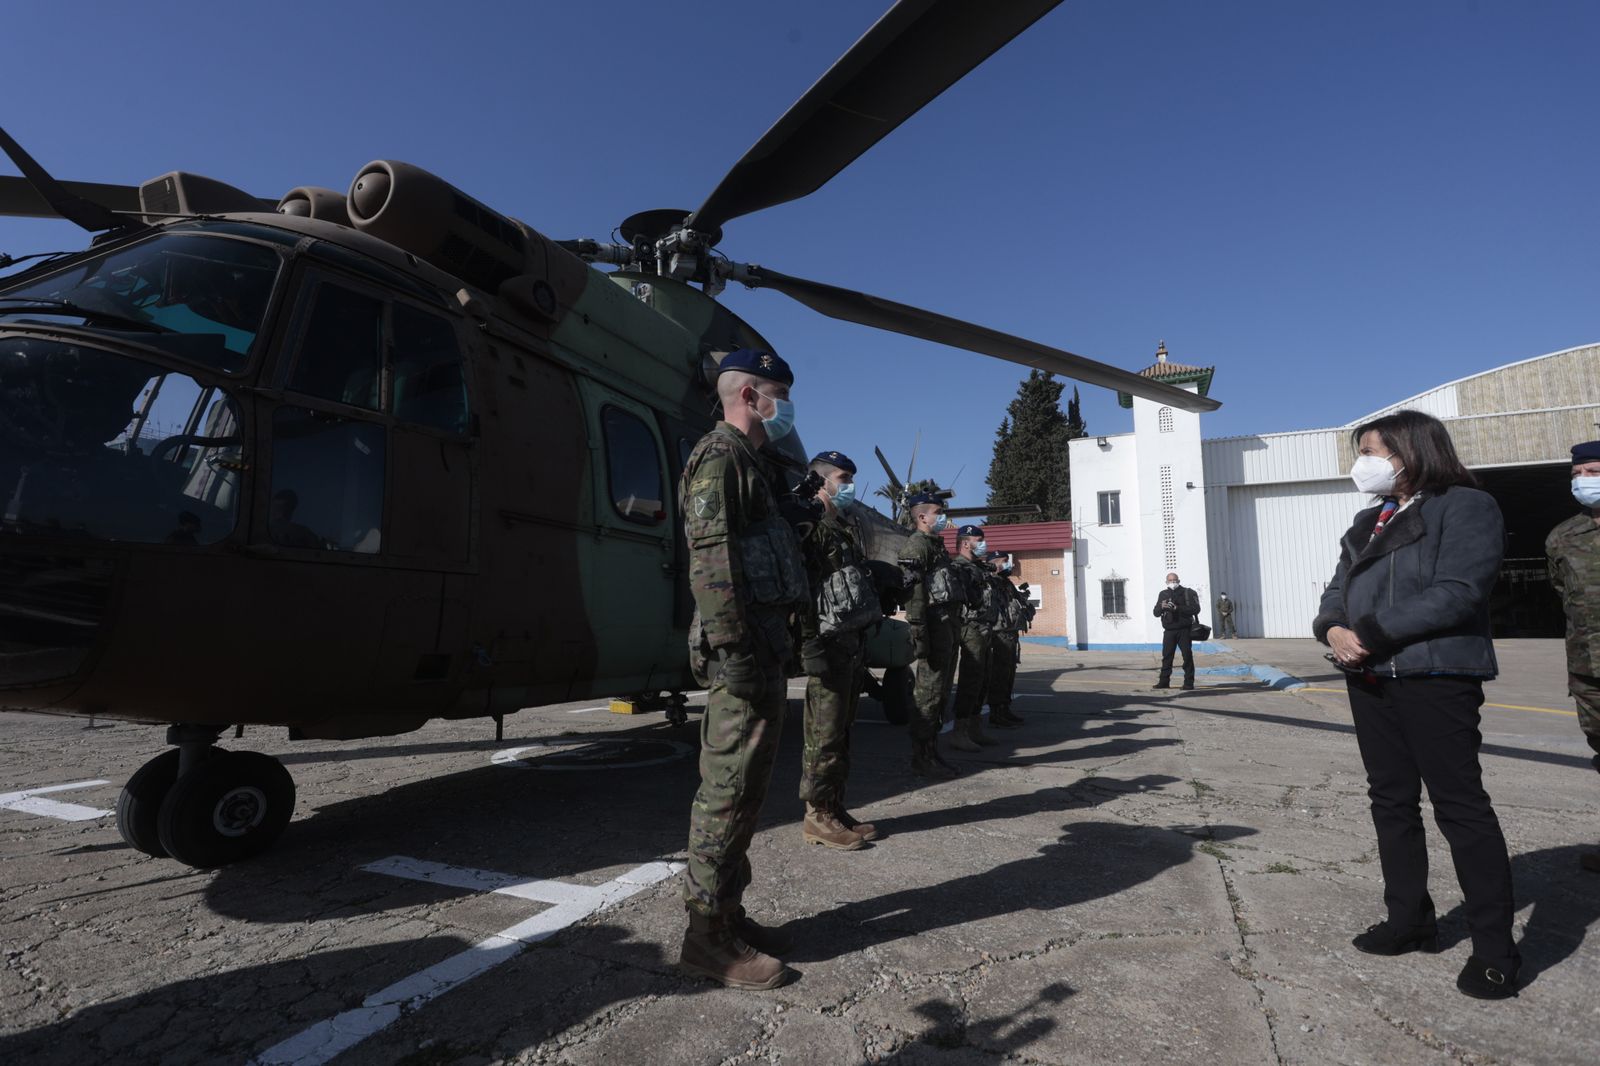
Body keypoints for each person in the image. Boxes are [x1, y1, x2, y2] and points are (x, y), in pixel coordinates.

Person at [1312, 409, 1519, 1000]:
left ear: (1409, 450)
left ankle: (1494, 949)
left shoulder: (1465, 506)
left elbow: (1457, 593)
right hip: (1370, 676)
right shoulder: (1367, 521)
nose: (1363, 463)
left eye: (1372, 450)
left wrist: (1369, 632)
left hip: (1435, 674)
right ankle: (1410, 920)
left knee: (1459, 806)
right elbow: (1336, 591)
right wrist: (1332, 630)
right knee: (1390, 802)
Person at [678, 347, 806, 990]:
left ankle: (727, 913)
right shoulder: (720, 456)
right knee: (725, 793)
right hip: (743, 654)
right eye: (778, 394)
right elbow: (711, 560)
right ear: (750, 395)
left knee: (748, 792)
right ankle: (705, 939)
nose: (784, 408)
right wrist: (734, 650)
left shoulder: (752, 462)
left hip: (763, 645)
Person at [795, 450, 879, 851]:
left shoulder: (842, 528)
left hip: (849, 644)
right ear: (823, 480)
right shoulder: (810, 527)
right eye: (843, 478)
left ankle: (835, 805)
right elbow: (803, 591)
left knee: (842, 731)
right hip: (827, 645)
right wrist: (808, 642)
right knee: (823, 734)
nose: (849, 486)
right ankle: (817, 816)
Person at [1546, 438, 1600, 874]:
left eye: (1593, 472)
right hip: (1589, 669)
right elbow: (1564, 595)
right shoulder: (1562, 536)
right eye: (1577, 475)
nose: (1584, 482)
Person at [898, 492, 963, 778]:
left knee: (941, 692)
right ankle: (920, 756)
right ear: (922, 517)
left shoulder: (936, 545)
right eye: (938, 512)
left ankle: (932, 751)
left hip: (946, 625)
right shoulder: (916, 545)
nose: (943, 517)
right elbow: (914, 594)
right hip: (932, 627)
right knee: (928, 693)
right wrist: (918, 631)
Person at [947, 525, 999, 751]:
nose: (984, 543)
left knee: (984, 679)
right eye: (980, 540)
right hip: (971, 628)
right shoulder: (959, 568)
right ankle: (959, 731)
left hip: (986, 628)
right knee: (971, 679)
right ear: (966, 543)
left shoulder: (978, 568)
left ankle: (975, 728)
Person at [985, 551, 1031, 728]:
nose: (1008, 565)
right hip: (998, 634)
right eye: (1004, 561)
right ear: (993, 563)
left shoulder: (1007, 583)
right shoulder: (989, 582)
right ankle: (996, 712)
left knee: (1008, 673)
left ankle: (1005, 708)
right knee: (998, 674)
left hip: (1010, 633)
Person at [1152, 572, 1199, 690]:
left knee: (1187, 656)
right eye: (1170, 580)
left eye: (1174, 580)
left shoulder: (1188, 592)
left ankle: (1189, 682)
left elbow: (1196, 609)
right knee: (1167, 657)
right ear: (1166, 582)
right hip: (1169, 630)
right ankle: (1164, 682)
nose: (1172, 583)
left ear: (1178, 580)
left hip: (1184, 630)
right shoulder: (1163, 594)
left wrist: (1178, 608)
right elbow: (1156, 613)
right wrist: (1161, 607)